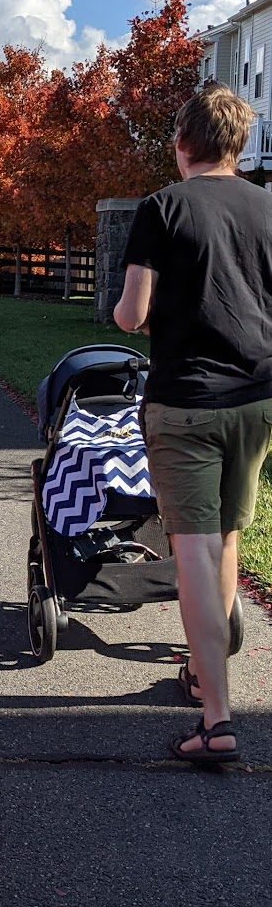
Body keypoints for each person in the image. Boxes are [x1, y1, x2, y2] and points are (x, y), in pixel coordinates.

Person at [114, 83, 272, 763]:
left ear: (183, 143)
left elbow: (130, 314)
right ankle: (201, 669)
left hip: (186, 403)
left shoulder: (163, 208)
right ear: (239, 143)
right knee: (227, 537)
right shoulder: (269, 207)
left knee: (196, 554)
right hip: (259, 400)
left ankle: (216, 720)